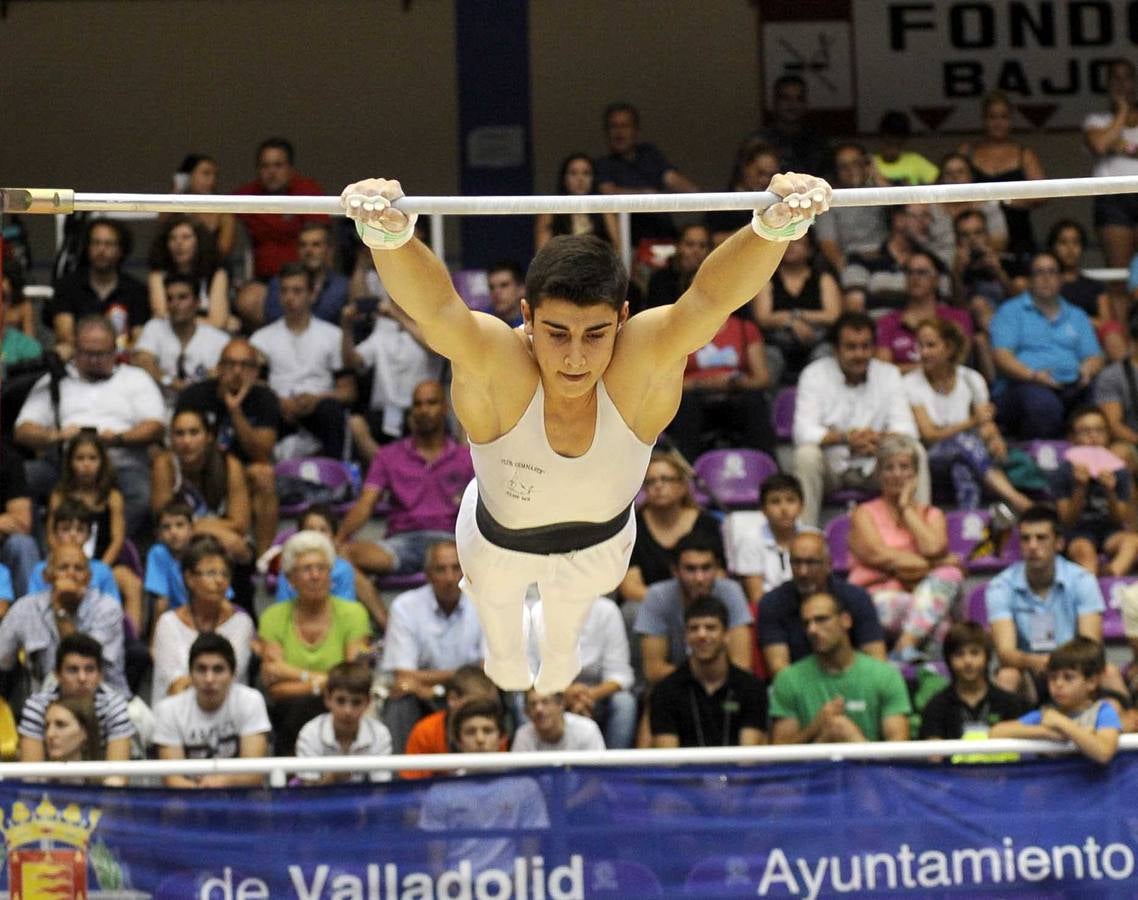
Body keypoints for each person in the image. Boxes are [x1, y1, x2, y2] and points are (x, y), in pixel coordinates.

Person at [341, 169, 829, 693]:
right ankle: (504, 653)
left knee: (567, 624)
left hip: (600, 548)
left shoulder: (641, 359)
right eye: (557, 334)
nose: (575, 358)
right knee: (501, 636)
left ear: (622, 317)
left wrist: (773, 229)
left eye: (595, 335)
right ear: (527, 316)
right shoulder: (499, 362)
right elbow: (437, 310)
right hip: (497, 543)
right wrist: (389, 237)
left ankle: (559, 646)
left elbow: (710, 300)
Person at [15, 316, 165, 537]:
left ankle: (109, 545)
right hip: (62, 463)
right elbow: (22, 430)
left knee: (141, 494)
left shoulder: (135, 379)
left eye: (101, 353)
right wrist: (55, 436)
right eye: (87, 353)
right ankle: (46, 548)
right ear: (75, 349)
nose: (94, 360)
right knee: (20, 478)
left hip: (118, 463)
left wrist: (119, 438)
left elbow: (156, 426)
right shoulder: (55, 380)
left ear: (115, 350)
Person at [793, 311, 928, 527]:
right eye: (851, 347)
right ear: (836, 349)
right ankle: (805, 536)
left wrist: (877, 439)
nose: (860, 354)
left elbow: (907, 429)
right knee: (805, 455)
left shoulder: (888, 374)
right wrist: (846, 438)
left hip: (877, 465)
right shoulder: (814, 375)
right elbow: (803, 431)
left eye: (865, 346)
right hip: (831, 466)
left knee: (915, 450)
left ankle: (921, 530)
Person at [336, 380, 474, 579]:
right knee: (342, 555)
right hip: (402, 542)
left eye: (431, 403)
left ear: (445, 408)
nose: (424, 410)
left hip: (451, 543)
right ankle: (375, 602)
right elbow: (366, 503)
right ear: (412, 411)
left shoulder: (466, 458)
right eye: (418, 404)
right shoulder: (388, 456)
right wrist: (338, 539)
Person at [848, 434, 964, 663]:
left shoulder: (932, 514)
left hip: (921, 599)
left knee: (950, 577)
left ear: (916, 474)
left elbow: (932, 547)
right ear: (879, 474)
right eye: (889, 468)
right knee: (940, 621)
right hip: (875, 599)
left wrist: (906, 508)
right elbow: (881, 556)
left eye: (904, 467)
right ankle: (910, 657)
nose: (897, 474)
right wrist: (937, 564)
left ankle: (906, 647)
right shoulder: (863, 514)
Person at [256, 530, 371, 754]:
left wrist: (297, 676)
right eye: (306, 569)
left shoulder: (354, 613)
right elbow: (276, 689)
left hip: (343, 707)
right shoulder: (272, 617)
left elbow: (353, 680)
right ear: (290, 579)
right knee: (297, 708)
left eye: (322, 568)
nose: (315, 575)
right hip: (288, 711)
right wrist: (323, 681)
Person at [985, 505, 1117, 698]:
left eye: (1041, 538)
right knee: (1007, 675)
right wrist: (1038, 662)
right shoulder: (1000, 585)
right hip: (1028, 669)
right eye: (1025, 539)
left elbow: (1091, 647)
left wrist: (1060, 667)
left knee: (1109, 673)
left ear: (1059, 543)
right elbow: (1005, 653)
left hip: (1074, 668)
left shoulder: (1082, 580)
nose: (1032, 546)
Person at [905, 318, 1032, 513]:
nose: (923, 352)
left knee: (962, 467)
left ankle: (969, 518)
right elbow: (929, 435)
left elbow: (986, 424)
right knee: (963, 443)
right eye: (920, 346)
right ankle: (1015, 499)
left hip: (969, 452)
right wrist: (972, 422)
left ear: (949, 348)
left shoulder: (971, 379)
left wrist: (994, 438)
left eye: (931, 345)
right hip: (931, 456)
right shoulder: (910, 384)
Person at [419, 697, 548, 876]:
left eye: (488, 731)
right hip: (457, 888)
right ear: (458, 740)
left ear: (502, 737)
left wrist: (510, 889)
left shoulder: (526, 788)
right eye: (470, 732)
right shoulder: (439, 792)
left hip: (512, 888)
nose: (480, 739)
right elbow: (436, 866)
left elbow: (530, 860)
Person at [175, 338, 281, 556]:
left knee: (264, 474)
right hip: (198, 469)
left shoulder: (265, 399)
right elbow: (179, 439)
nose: (237, 372)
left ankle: (264, 560)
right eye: (230, 364)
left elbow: (262, 454)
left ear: (256, 372)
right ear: (218, 368)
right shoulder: (194, 396)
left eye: (245, 365)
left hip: (242, 472)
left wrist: (235, 410)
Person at [380, 540, 483, 753]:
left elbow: (488, 670)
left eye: (456, 568)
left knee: (497, 692)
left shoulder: (483, 602)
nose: (449, 577)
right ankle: (402, 771)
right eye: (440, 569)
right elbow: (403, 677)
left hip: (472, 693)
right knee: (400, 699)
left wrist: (426, 682)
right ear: (427, 575)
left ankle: (498, 769)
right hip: (421, 697)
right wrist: (464, 674)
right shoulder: (405, 607)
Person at [769, 591, 911, 743]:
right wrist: (816, 728)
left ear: (845, 620)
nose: (812, 629)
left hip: (868, 758)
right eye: (806, 623)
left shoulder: (885, 676)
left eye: (821, 619)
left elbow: (899, 746)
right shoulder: (789, 679)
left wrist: (855, 740)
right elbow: (780, 751)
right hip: (814, 759)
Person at [991, 251, 1105, 439]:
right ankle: (1045, 453)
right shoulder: (1010, 311)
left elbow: (1095, 356)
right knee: (1043, 403)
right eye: (1039, 272)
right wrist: (1033, 375)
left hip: (1072, 384)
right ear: (1029, 280)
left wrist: (1088, 369)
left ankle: (1090, 453)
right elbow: (1001, 357)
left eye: (1052, 272)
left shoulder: (1077, 315)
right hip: (1024, 385)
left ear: (1061, 279)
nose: (1046, 278)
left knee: (1101, 390)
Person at [250, 261, 354, 460]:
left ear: (312, 294)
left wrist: (317, 399)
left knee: (331, 410)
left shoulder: (334, 336)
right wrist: (278, 401)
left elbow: (348, 391)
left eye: (297, 291)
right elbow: (256, 384)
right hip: (277, 408)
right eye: (284, 291)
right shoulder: (261, 339)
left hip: (320, 408)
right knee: (263, 406)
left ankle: (333, 472)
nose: (289, 298)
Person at [0, 543, 127, 695]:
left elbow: (81, 665)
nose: (71, 574)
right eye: (63, 568)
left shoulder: (108, 608)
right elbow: (3, 659)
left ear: (88, 577)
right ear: (46, 576)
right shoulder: (26, 608)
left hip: (104, 700)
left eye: (78, 569)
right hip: (44, 703)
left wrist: (61, 610)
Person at [758, 531, 887, 679]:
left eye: (811, 563)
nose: (803, 572)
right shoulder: (773, 603)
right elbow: (779, 670)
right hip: (799, 686)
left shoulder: (856, 598)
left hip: (854, 682)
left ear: (829, 564)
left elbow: (877, 660)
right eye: (796, 562)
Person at [666, 285, 773, 461]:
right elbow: (666, 383)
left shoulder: (745, 328)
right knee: (686, 404)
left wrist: (735, 382)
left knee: (755, 400)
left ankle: (765, 465)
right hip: (693, 395)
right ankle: (685, 466)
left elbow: (762, 379)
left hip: (735, 394)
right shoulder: (679, 331)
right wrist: (703, 384)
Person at [48, 434, 142, 631]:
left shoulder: (112, 496)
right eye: (80, 458)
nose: (86, 464)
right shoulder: (59, 495)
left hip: (105, 561)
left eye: (92, 458)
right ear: (70, 462)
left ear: (102, 462)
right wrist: (66, 562)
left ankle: (131, 635)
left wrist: (100, 568)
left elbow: (118, 539)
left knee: (132, 583)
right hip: (67, 562)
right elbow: (52, 535)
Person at [152, 632, 270, 788]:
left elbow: (253, 774)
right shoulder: (169, 710)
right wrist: (203, 793)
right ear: (190, 674)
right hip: (188, 798)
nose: (209, 679)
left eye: (218, 669)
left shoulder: (250, 701)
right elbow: (172, 779)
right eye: (201, 669)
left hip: (240, 796)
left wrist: (219, 782)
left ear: (233, 674)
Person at [633, 533, 753, 685]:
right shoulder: (658, 596)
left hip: (724, 686)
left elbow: (741, 663)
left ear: (717, 568)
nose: (699, 578)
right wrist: (706, 676)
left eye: (706, 568)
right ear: (675, 570)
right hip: (673, 688)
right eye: (691, 569)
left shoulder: (731, 592)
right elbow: (654, 670)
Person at [233, 137, 328, 328]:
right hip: (266, 283)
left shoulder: (307, 191)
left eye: (278, 165)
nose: (271, 172)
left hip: (307, 279)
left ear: (290, 168)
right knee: (248, 299)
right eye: (265, 166)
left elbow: (324, 242)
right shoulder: (247, 196)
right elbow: (216, 214)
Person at [648, 597, 767, 748]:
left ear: (726, 635)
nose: (702, 635)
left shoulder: (752, 688)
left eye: (711, 628)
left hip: (737, 764)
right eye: (694, 628)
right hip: (684, 765)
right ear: (686, 637)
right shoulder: (665, 691)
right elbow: (668, 757)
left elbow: (749, 755)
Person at [150, 535, 254, 701]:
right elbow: (175, 686)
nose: (219, 580)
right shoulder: (168, 623)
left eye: (225, 574)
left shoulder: (242, 623)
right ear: (190, 578)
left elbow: (229, 678)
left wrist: (192, 681)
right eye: (211, 573)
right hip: (177, 711)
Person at [340, 296, 444, 461]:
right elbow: (352, 361)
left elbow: (436, 348)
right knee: (356, 424)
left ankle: (390, 467)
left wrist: (397, 316)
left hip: (419, 412)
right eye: (394, 298)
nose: (397, 303)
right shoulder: (384, 328)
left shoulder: (432, 324)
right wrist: (346, 328)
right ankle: (387, 467)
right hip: (383, 411)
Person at [526, 595, 635, 749]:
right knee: (522, 701)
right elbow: (529, 673)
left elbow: (620, 675)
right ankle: (529, 758)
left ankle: (614, 763)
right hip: (549, 694)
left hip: (597, 696)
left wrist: (587, 695)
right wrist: (564, 693)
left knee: (624, 703)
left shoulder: (606, 610)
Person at [991, 636, 1121, 764]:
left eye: (1068, 677)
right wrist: (1047, 733)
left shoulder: (1103, 711)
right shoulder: (1047, 714)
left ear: (1091, 682)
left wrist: (1063, 724)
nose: (1058, 684)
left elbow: (1104, 753)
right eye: (1053, 678)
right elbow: (995, 732)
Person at [150, 408, 252, 568]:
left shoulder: (230, 465)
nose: (186, 441)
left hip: (214, 534)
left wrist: (204, 528)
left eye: (194, 433)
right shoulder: (164, 465)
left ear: (209, 436)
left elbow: (240, 523)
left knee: (237, 546)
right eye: (179, 434)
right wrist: (209, 530)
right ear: (171, 439)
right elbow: (163, 521)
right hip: (179, 539)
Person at [618, 451, 723, 604]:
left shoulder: (707, 524)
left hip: (702, 603)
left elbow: (719, 577)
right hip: (650, 606)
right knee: (632, 610)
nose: (658, 486)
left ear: (682, 485)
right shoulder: (632, 527)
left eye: (665, 479)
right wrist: (673, 606)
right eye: (651, 481)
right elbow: (630, 588)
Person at [18, 632, 134, 765]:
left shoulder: (114, 706)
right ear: (57, 675)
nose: (82, 678)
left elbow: (117, 773)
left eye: (89, 669)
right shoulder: (37, 706)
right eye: (73, 670)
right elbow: (31, 773)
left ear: (100, 675)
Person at [958, 90, 1047, 261]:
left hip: (1018, 234)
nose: (998, 123)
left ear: (1011, 120)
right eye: (992, 117)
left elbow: (1043, 194)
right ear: (983, 120)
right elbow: (948, 187)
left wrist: (1006, 200)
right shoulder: (967, 152)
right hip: (974, 236)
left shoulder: (1024, 154)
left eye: (1003, 117)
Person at [594, 101, 700, 245]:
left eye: (624, 126)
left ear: (636, 130)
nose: (619, 132)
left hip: (664, 233)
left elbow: (674, 180)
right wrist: (647, 195)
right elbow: (608, 192)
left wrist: (699, 197)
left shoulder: (650, 154)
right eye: (614, 126)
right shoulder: (604, 164)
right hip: (633, 240)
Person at [1052, 405, 1138, 577]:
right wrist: (1080, 488)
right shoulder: (1063, 471)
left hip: (1110, 531)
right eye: (1085, 431)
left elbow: (1119, 519)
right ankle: (1089, 585)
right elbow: (1067, 521)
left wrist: (1110, 492)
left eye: (1100, 430)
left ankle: (1112, 575)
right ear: (1072, 438)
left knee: (1133, 541)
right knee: (1084, 551)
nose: (1093, 436)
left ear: (1108, 435)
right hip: (1077, 532)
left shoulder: (1119, 471)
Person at [49, 219, 149, 361]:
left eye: (109, 244)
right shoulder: (67, 286)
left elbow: (139, 339)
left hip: (123, 363)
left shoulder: (137, 290)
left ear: (121, 250)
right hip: (78, 361)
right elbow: (66, 337)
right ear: (87, 247)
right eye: (96, 243)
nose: (101, 250)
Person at [277, 505, 385, 630]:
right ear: (300, 535)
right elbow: (282, 613)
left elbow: (345, 612)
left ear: (333, 537)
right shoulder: (289, 570)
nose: (317, 536)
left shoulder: (344, 569)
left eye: (323, 530)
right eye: (310, 530)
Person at [753, 231, 840, 385]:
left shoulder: (823, 278)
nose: (790, 246)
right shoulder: (766, 278)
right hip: (775, 344)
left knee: (825, 355)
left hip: (817, 342)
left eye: (797, 242)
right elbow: (763, 317)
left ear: (810, 249)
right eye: (786, 241)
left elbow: (833, 315)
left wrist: (796, 314)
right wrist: (791, 322)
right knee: (767, 359)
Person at [918, 622, 1029, 740]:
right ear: (949, 660)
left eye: (974, 653)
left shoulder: (1010, 704)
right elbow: (933, 748)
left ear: (987, 657)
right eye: (959, 654)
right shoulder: (936, 707)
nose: (968, 661)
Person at [723, 473, 818, 606]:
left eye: (791, 500)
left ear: (802, 506)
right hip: (769, 611)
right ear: (763, 509)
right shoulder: (750, 541)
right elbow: (757, 599)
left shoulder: (815, 538)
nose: (784, 509)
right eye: (775, 502)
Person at [132, 273, 229, 400]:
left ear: (197, 302)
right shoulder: (154, 327)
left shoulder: (218, 339)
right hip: (160, 404)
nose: (175, 304)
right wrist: (170, 381)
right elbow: (142, 361)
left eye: (182, 297)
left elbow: (221, 375)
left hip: (203, 404)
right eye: (169, 298)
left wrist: (192, 391)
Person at [295, 660, 394, 784]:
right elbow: (307, 791)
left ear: (368, 702)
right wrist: (332, 777)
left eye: (356, 702)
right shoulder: (310, 733)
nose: (348, 711)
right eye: (340, 701)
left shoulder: (380, 734)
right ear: (327, 699)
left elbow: (382, 790)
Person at [874, 251, 972, 375]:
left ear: (937, 279)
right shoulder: (887, 322)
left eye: (922, 272)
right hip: (900, 387)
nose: (915, 278)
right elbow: (884, 370)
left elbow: (958, 362)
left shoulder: (958, 317)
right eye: (910, 272)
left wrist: (907, 368)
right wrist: (931, 366)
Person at [401, 665, 505, 779]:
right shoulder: (425, 732)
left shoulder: (494, 731)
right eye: (474, 704)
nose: (480, 738)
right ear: (452, 699)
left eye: (488, 705)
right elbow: (411, 785)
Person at [1083, 59, 1138, 272]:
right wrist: (1123, 110)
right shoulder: (1096, 120)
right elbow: (1100, 145)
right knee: (1119, 274)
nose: (1122, 83)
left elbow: (1108, 144)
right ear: (1108, 84)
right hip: (1113, 200)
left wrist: (1120, 146)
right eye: (1116, 78)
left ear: (1135, 82)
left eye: (1127, 77)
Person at [1049, 220, 1122, 362]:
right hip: (1056, 339)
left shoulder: (1096, 286)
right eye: (1063, 242)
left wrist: (1080, 320)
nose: (1070, 249)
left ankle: (1127, 373)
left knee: (1112, 332)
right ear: (1053, 247)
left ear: (1082, 247)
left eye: (1075, 242)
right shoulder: (1046, 286)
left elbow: (1105, 323)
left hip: (1091, 341)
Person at [27, 497, 121, 604]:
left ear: (89, 534)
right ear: (55, 532)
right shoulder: (40, 570)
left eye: (80, 529)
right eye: (66, 529)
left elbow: (114, 607)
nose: (73, 535)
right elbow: (32, 606)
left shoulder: (103, 571)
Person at [146, 215, 230, 329]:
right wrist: (207, 321)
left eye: (186, 237)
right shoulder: (158, 275)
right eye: (172, 238)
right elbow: (162, 316)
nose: (179, 243)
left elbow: (218, 322)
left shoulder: (217, 273)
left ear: (199, 241)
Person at [259, 222, 349, 328]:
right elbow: (274, 321)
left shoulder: (342, 286)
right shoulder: (279, 283)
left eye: (316, 245)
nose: (309, 251)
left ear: (329, 250)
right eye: (303, 245)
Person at [814, 142, 887, 273]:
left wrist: (875, 173)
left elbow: (902, 210)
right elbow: (827, 242)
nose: (852, 170)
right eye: (844, 166)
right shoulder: (829, 200)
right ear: (836, 170)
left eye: (856, 163)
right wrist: (846, 271)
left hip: (885, 259)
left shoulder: (879, 191)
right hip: (850, 262)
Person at [536, 153, 621, 253]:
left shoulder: (605, 210)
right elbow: (542, 252)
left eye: (586, 173)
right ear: (564, 179)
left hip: (598, 261)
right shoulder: (550, 210)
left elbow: (618, 249)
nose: (580, 179)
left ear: (594, 178)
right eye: (573, 173)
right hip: (561, 261)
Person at [704, 142, 780, 247]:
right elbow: (707, 240)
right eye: (760, 173)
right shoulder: (719, 199)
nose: (765, 180)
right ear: (745, 167)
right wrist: (756, 230)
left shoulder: (777, 203)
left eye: (771, 175)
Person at [163, 153, 237, 260]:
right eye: (206, 173)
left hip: (213, 266)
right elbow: (161, 226)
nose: (212, 179)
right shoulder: (177, 207)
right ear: (187, 177)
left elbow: (224, 250)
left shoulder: (223, 212)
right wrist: (176, 190)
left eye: (215, 175)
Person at [0, 438, 40, 601]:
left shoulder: (7, 459)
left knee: (23, 544)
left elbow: (21, 524)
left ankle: (33, 612)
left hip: (2, 550)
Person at [639, 223, 711, 313]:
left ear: (709, 250)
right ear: (679, 246)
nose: (696, 250)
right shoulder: (660, 280)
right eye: (689, 244)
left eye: (702, 245)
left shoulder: (715, 280)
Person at [144, 500, 196, 621]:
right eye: (166, 527)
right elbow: (161, 603)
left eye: (180, 525)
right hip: (174, 620)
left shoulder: (203, 554)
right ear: (159, 534)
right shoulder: (158, 553)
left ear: (192, 529)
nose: (173, 532)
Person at [512, 689, 606, 752]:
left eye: (545, 702)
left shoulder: (587, 730)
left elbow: (598, 773)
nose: (538, 709)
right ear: (526, 712)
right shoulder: (523, 736)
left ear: (561, 704)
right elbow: (517, 775)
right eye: (532, 704)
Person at [872, 111, 938, 186]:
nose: (892, 150)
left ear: (904, 142)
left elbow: (940, 183)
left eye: (897, 145)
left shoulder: (915, 161)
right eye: (888, 144)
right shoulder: (870, 163)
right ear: (880, 140)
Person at [43, 696, 102, 766]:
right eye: (46, 727)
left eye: (61, 725)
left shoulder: (107, 771)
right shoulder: (33, 771)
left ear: (85, 732)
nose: (50, 734)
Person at [486, 261, 527, 327]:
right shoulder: (482, 323)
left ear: (521, 289)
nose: (496, 292)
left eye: (504, 285)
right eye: (492, 287)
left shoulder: (534, 325)